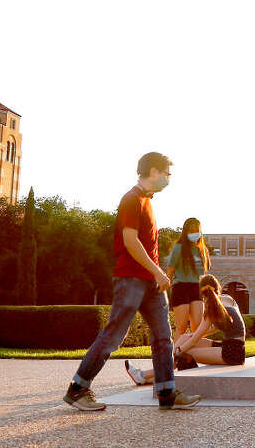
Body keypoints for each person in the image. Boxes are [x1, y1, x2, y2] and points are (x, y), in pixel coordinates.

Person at [63, 152, 200, 411]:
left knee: (163, 338)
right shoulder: (131, 199)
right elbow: (130, 241)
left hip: (150, 282)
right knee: (113, 336)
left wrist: (156, 274)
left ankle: (167, 392)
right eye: (167, 173)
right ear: (154, 172)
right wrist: (159, 272)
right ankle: (78, 389)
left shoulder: (147, 202)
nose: (169, 179)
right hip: (131, 279)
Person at [125, 274, 247, 385]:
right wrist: (192, 337)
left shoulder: (211, 307)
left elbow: (195, 340)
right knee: (184, 337)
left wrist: (178, 350)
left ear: (201, 292)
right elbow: (231, 325)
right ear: (218, 287)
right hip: (233, 347)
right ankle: (150, 378)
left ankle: (144, 374)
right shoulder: (228, 299)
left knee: (184, 353)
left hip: (233, 354)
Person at [166, 217, 211, 344]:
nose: (194, 233)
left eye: (196, 230)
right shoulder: (178, 249)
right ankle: (174, 360)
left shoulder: (202, 251)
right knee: (181, 327)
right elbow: (169, 274)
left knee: (197, 327)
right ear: (185, 232)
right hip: (181, 287)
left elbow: (204, 275)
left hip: (197, 288)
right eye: (191, 230)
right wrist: (162, 292)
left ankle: (191, 357)